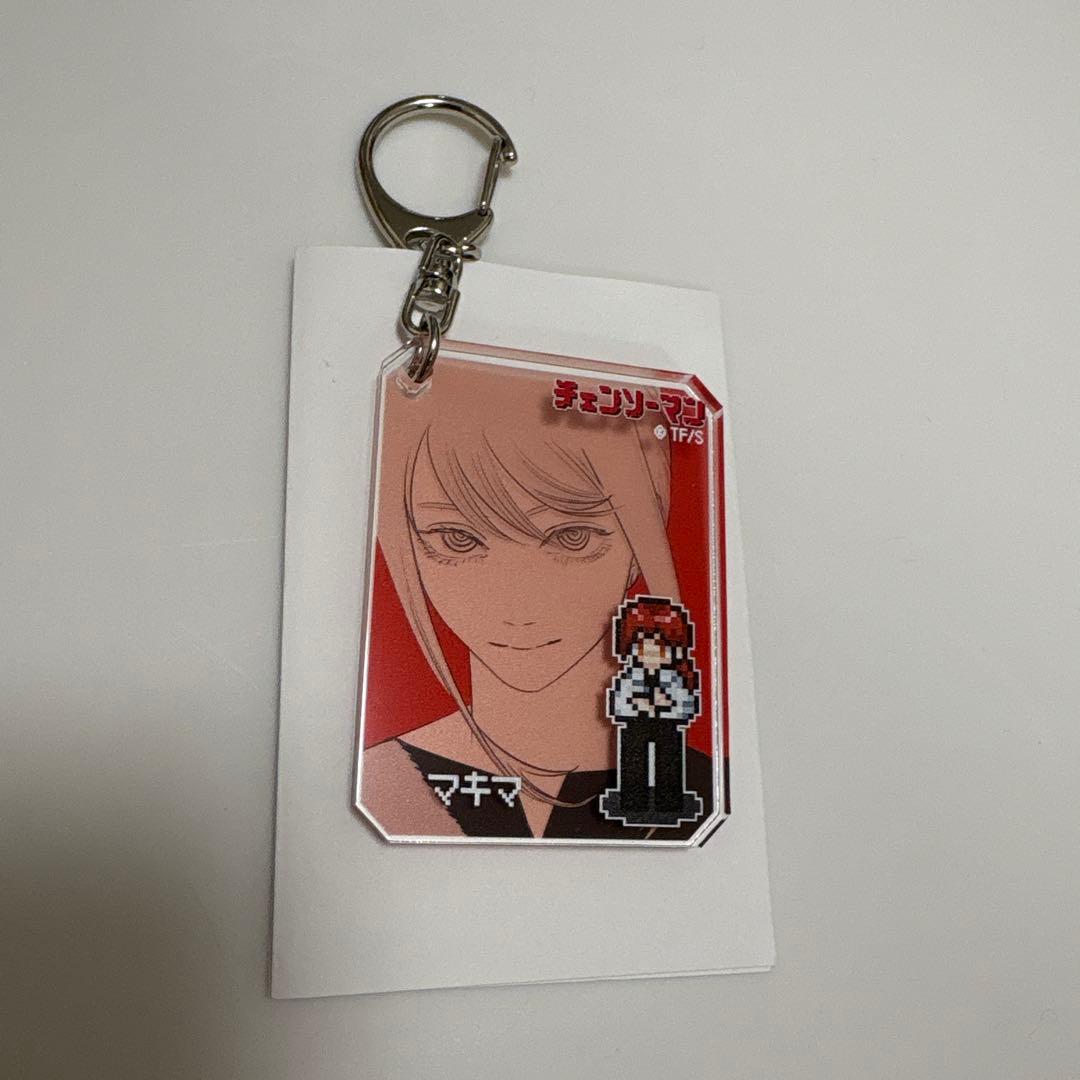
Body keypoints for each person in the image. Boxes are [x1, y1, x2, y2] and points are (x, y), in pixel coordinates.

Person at [359, 348, 713, 841]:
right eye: (457, 539)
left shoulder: (707, 792)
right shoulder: (381, 785)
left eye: (572, 537)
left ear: (639, 542)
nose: (517, 607)